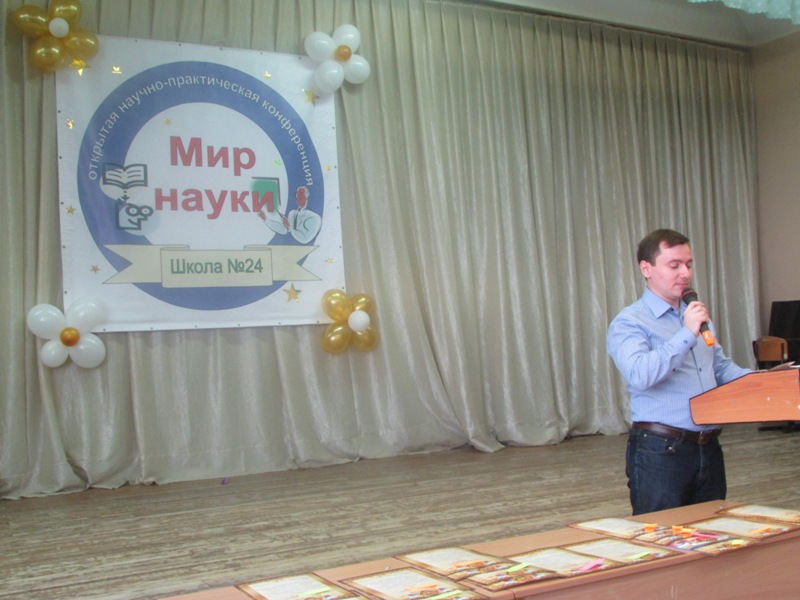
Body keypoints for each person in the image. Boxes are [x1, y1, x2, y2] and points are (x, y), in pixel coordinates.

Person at [606, 229, 751, 515]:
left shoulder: (694, 315)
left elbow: (719, 367)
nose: (685, 273)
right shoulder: (630, 322)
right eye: (674, 265)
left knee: (710, 529)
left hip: (708, 447)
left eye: (688, 264)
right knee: (661, 533)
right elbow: (641, 374)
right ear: (646, 268)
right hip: (661, 450)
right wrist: (686, 333)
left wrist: (762, 382)